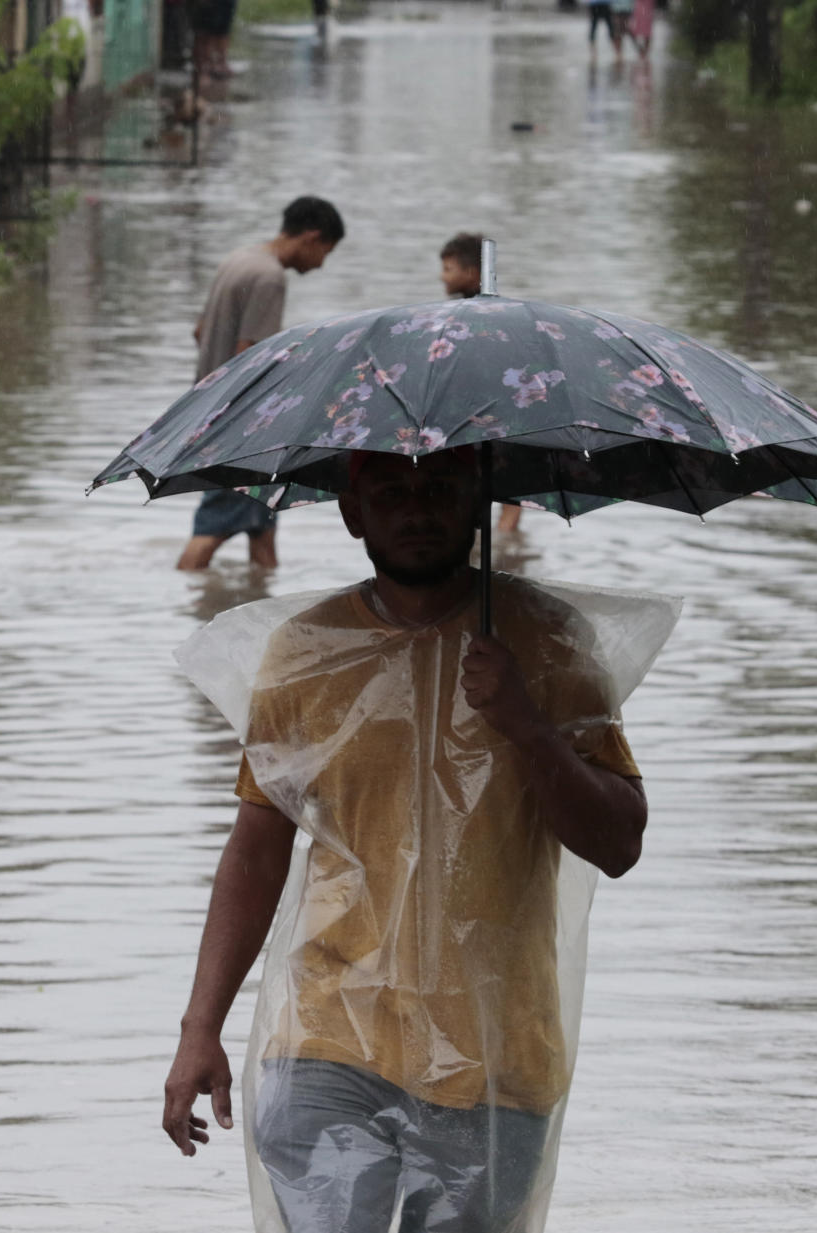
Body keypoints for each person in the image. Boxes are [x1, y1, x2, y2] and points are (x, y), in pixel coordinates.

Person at [163, 448, 677, 1232]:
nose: (418, 509)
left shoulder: (549, 644)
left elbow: (620, 841)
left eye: (441, 488)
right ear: (351, 512)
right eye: (393, 492)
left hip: (496, 1053)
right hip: (327, 1034)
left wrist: (528, 727)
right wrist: (201, 1026)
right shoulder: (305, 652)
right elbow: (256, 848)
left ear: (479, 500)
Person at [176, 197, 345, 571]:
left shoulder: (239, 259)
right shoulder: (269, 277)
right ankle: (178, 607)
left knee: (262, 528)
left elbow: (200, 331)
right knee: (212, 529)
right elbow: (250, 358)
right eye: (325, 252)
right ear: (312, 237)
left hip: (213, 411)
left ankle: (262, 609)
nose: (320, 265)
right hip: (240, 426)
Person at [439, 232, 522, 532]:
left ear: (472, 273)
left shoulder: (488, 317)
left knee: (506, 485)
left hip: (492, 410)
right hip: (474, 410)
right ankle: (505, 551)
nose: (441, 276)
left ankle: (502, 545)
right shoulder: (454, 316)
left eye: (448, 269)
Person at [439, 231, 483, 299]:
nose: (442, 277)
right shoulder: (498, 305)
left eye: (447, 269)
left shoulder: (465, 308)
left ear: (470, 273)